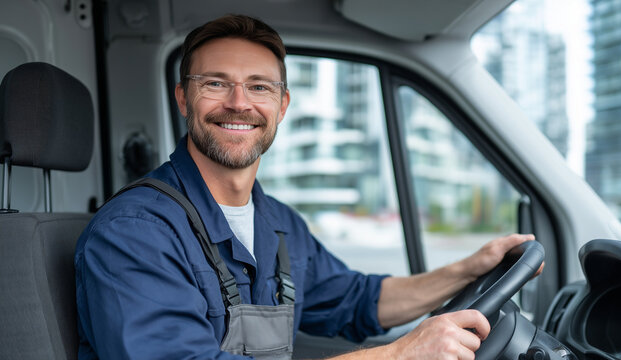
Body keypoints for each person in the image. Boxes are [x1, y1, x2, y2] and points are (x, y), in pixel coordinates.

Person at [74, 14, 539, 360]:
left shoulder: (277, 224)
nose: (239, 104)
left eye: (259, 87)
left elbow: (357, 300)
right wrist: (398, 354)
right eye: (216, 83)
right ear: (183, 98)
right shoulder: (134, 233)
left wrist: (468, 269)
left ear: (282, 105)